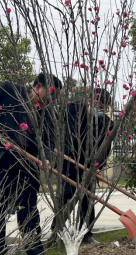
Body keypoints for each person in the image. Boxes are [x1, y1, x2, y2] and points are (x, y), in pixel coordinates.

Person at [0, 73, 62, 255]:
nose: (51, 101)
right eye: (50, 95)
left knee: (28, 206)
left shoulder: (45, 111)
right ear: (38, 86)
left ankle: (35, 249)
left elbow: (48, 139)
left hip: (27, 164)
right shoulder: (10, 91)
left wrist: (45, 156)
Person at [51, 88, 114, 244]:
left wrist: (99, 165)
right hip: (68, 160)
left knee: (88, 197)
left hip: (90, 165)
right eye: (99, 107)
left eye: (104, 108)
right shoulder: (72, 109)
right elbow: (53, 123)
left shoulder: (107, 123)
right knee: (66, 195)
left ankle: (86, 233)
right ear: (90, 101)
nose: (101, 111)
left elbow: (106, 147)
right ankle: (56, 230)